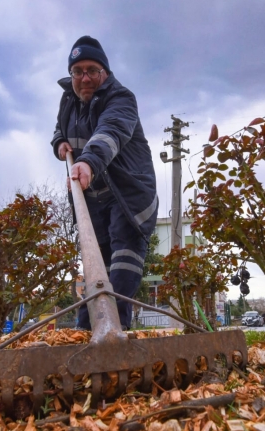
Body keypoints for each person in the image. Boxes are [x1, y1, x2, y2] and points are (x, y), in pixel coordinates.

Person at [52, 36, 158, 330]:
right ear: (71, 74)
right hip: (92, 197)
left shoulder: (121, 98)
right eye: (78, 71)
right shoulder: (68, 100)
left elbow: (110, 132)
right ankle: (85, 333)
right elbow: (59, 129)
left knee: (122, 267)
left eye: (92, 70)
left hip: (128, 194)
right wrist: (59, 141)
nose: (85, 78)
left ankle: (114, 333)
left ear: (105, 73)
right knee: (95, 269)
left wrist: (88, 161)